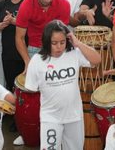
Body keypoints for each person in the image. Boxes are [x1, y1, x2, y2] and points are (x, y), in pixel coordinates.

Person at [24, 20, 101, 150]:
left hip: (74, 116)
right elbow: (30, 88)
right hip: (50, 117)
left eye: (62, 42)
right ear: (46, 41)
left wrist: (78, 43)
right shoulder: (37, 60)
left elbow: (97, 60)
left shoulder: (74, 53)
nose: (59, 47)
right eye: (54, 43)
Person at [15, 0, 70, 73]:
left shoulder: (64, 4)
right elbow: (19, 37)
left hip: (56, 47)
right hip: (34, 48)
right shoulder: (27, 4)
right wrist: (27, 61)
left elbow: (62, 36)